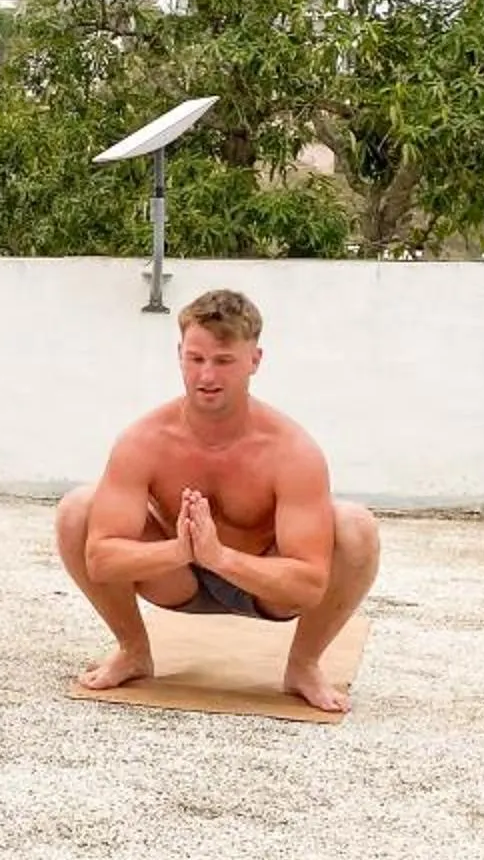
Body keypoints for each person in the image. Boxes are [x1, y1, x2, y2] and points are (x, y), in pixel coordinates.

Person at [57, 288, 382, 714]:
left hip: (265, 588)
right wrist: (181, 550)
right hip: (174, 579)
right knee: (77, 509)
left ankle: (303, 665)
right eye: (195, 359)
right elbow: (101, 560)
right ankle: (133, 650)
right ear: (179, 355)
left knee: (356, 526)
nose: (206, 376)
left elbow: (308, 584)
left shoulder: (291, 450)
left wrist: (220, 557)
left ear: (255, 361)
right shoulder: (144, 440)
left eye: (224, 361)